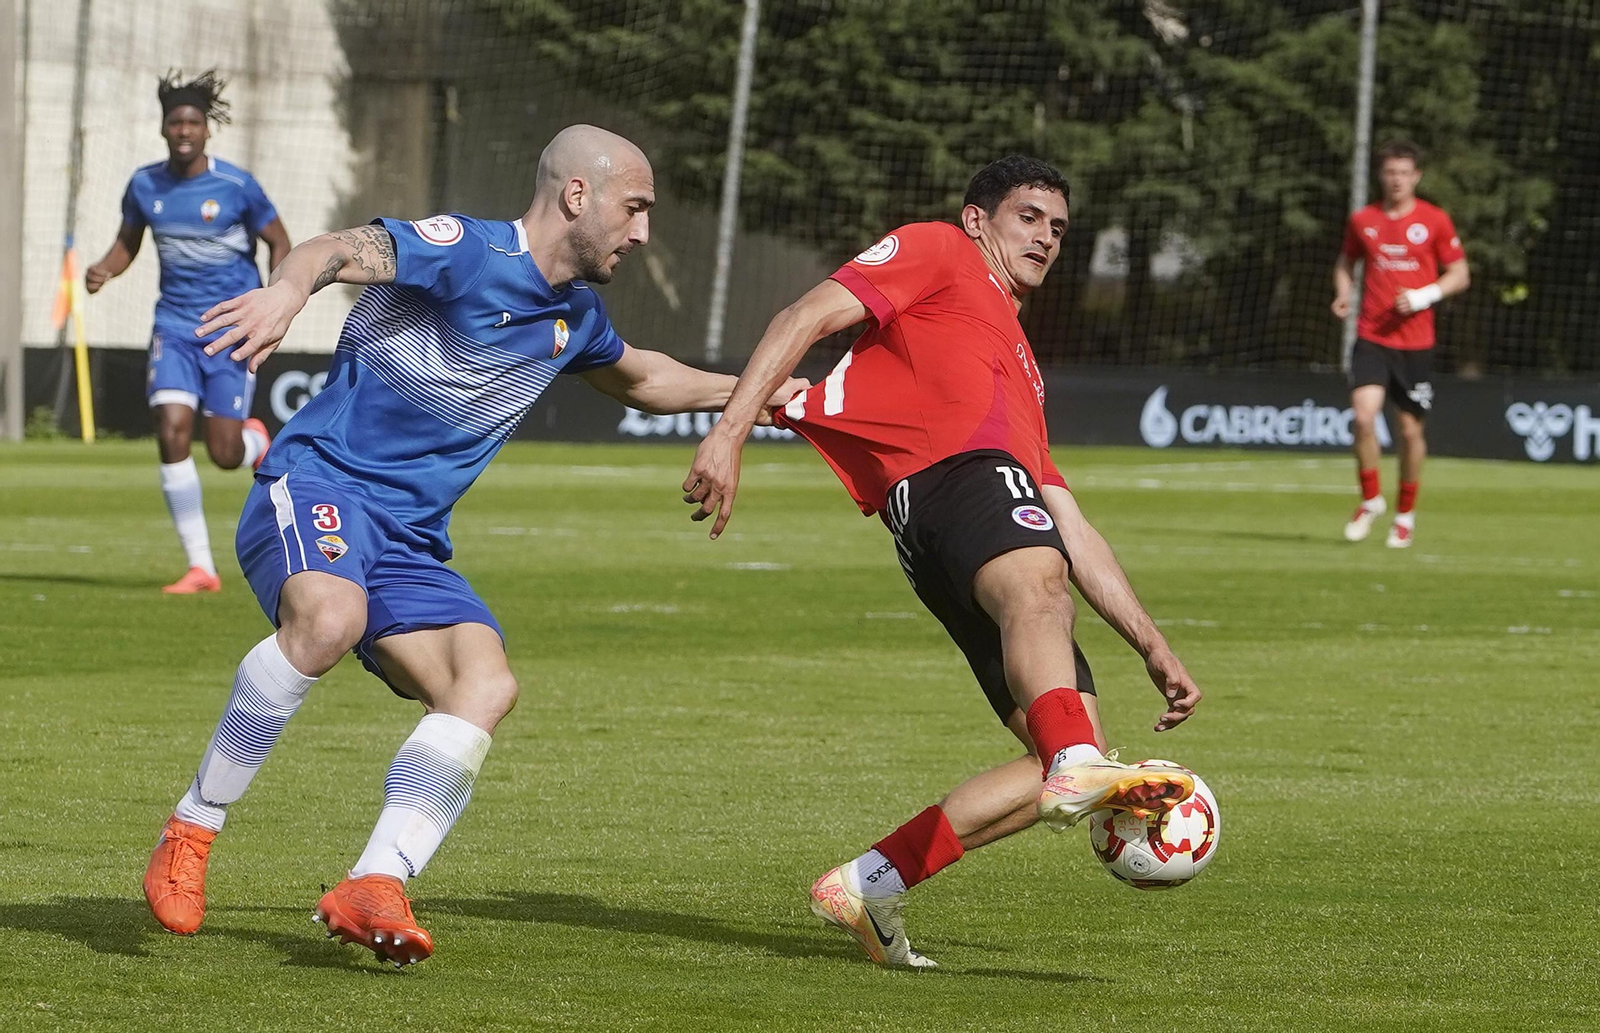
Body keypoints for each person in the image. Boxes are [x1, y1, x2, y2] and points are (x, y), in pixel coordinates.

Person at [139, 124, 805, 967]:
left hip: (412, 541)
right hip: (318, 485)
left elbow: (644, 377)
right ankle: (193, 825)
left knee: (485, 683)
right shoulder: (465, 251)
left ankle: (374, 880)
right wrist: (286, 291)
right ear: (577, 196)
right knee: (328, 616)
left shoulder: (574, 314)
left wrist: (765, 392)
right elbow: (336, 249)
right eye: (634, 209)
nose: (641, 233)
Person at [681, 156, 1203, 968]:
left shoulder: (1023, 364)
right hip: (951, 479)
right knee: (1045, 613)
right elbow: (804, 314)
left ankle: (869, 881)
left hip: (951, 513)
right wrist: (729, 431)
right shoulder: (938, 249)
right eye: (1029, 216)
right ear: (977, 220)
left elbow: (1069, 519)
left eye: (1059, 228)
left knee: (1064, 743)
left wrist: (1152, 642)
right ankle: (1076, 763)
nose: (1046, 237)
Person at [86, 70, 291, 593]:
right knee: (172, 429)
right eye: (175, 121)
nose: (183, 130)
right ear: (163, 128)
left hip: (229, 328)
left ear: (206, 131)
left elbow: (280, 241)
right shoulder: (143, 184)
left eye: (192, 122)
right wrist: (105, 268)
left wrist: (274, 302)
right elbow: (128, 242)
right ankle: (201, 566)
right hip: (174, 327)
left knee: (223, 453)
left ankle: (253, 441)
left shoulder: (236, 186)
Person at [1332, 140, 1470, 549]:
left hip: (1415, 344)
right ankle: (1371, 499)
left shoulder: (1435, 220)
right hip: (1372, 336)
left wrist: (1423, 295)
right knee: (1362, 417)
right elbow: (1345, 261)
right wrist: (1343, 291)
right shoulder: (1364, 219)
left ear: (1416, 176)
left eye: (1404, 172)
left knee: (1410, 432)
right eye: (1390, 171)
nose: (1396, 179)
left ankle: (1405, 514)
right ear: (1381, 175)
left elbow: (1460, 274)